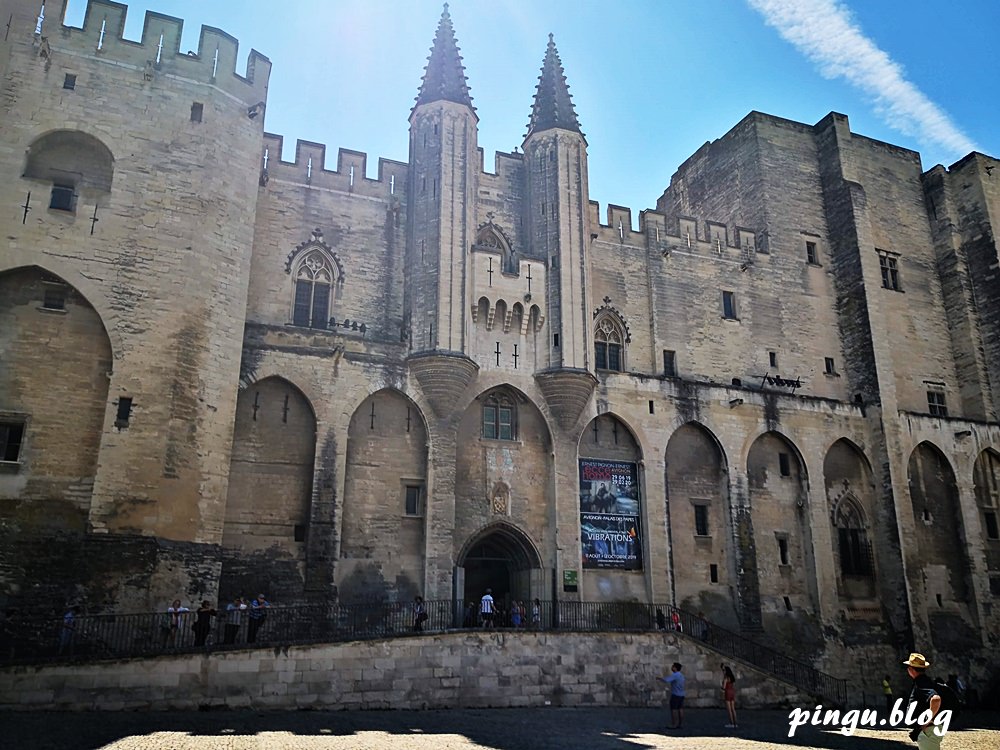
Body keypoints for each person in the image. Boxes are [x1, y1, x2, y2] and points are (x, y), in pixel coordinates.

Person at [904, 652, 944, 749]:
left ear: (911, 669)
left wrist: (925, 723)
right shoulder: (924, 681)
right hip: (929, 730)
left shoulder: (922, 683)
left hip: (928, 730)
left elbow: (936, 699)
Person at [659, 662, 686, 729]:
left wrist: (659, 678)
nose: (671, 668)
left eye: (673, 666)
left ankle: (674, 724)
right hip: (681, 694)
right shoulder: (681, 675)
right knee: (680, 709)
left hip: (675, 695)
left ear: (675, 668)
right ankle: (680, 724)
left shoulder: (675, 675)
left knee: (674, 709)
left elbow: (666, 680)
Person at [722, 664, 738, 728]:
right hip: (732, 692)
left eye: (724, 670)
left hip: (727, 692)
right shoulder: (731, 677)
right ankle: (735, 723)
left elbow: (724, 687)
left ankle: (731, 723)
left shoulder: (726, 678)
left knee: (729, 710)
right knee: (733, 709)